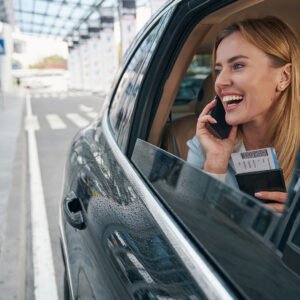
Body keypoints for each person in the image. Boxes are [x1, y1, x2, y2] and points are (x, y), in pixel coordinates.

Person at [187, 16, 300, 213]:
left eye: (238, 65)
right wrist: (214, 167)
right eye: (218, 70)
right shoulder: (204, 146)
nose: (220, 82)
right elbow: (188, 230)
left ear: (284, 77)